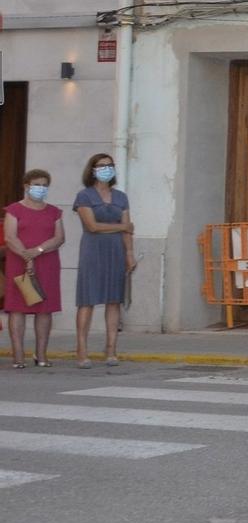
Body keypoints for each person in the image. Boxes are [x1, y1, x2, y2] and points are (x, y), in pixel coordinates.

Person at [72, 153, 133, 369]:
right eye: (102, 166)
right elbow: (92, 226)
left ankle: (111, 350)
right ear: (93, 169)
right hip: (93, 250)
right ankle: (81, 350)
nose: (107, 169)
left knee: (114, 300)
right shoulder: (84, 196)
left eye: (110, 165)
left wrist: (129, 254)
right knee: (87, 301)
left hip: (116, 251)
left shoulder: (121, 197)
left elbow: (129, 230)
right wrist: (122, 226)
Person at [5, 169, 65, 369]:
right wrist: (26, 256)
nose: (41, 188)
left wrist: (38, 251)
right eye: (37, 184)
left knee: (44, 310)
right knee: (17, 309)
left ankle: (41, 355)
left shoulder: (54, 212)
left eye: (44, 185)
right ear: (26, 186)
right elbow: (10, 237)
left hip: (46, 263)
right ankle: (18, 356)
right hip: (19, 264)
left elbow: (59, 238)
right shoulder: (14, 210)